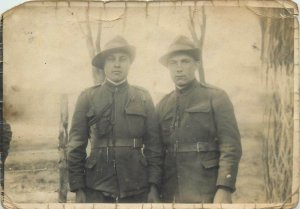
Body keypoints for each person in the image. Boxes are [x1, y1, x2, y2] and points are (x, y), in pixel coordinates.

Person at [68, 36, 162, 203]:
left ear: (129, 64)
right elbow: (76, 145)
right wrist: (78, 188)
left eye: (122, 59)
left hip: (137, 184)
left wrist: (154, 185)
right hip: (96, 186)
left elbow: (154, 146)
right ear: (104, 65)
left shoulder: (143, 97)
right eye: (111, 59)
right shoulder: (88, 97)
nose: (117, 64)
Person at [156, 35, 242, 203]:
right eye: (173, 63)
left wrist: (224, 187)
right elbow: (157, 152)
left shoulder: (216, 97)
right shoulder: (163, 105)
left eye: (185, 62)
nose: (179, 68)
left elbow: (230, 146)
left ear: (196, 64)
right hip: (171, 190)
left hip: (206, 188)